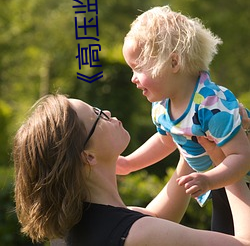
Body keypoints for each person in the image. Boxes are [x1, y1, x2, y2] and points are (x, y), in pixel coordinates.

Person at [13, 94, 250, 246]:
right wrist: (226, 161)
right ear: (88, 156)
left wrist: (190, 133)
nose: (106, 112)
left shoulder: (72, 230)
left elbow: (157, 217)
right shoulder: (138, 234)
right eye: (97, 116)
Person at [119, 5, 250, 234]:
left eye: (138, 68)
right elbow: (166, 141)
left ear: (173, 63)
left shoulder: (211, 105)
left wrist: (209, 180)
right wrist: (130, 163)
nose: (133, 78)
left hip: (239, 181)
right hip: (220, 184)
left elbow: (242, 156)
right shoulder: (162, 106)